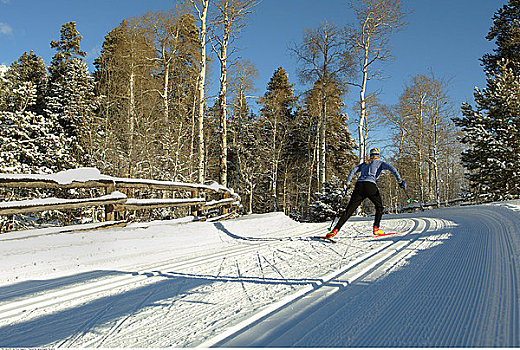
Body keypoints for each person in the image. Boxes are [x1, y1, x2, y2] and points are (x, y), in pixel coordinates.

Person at [327, 148, 406, 238]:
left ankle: (335, 230)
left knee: (349, 210)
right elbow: (392, 169)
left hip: (359, 186)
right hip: (370, 185)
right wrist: (399, 180)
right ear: (378, 155)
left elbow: (353, 170)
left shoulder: (365, 163)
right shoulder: (380, 163)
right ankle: (376, 228)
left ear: (370, 155)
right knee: (379, 207)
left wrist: (347, 182)